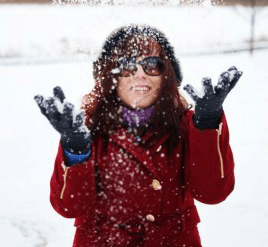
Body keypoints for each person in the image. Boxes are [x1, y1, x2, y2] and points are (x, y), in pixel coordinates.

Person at [34, 25, 242, 247]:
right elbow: (68, 207)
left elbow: (212, 193)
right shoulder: (84, 127)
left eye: (152, 65)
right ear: (110, 76)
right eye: (127, 66)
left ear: (167, 75)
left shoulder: (187, 124)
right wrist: (75, 149)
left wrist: (208, 124)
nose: (140, 73)